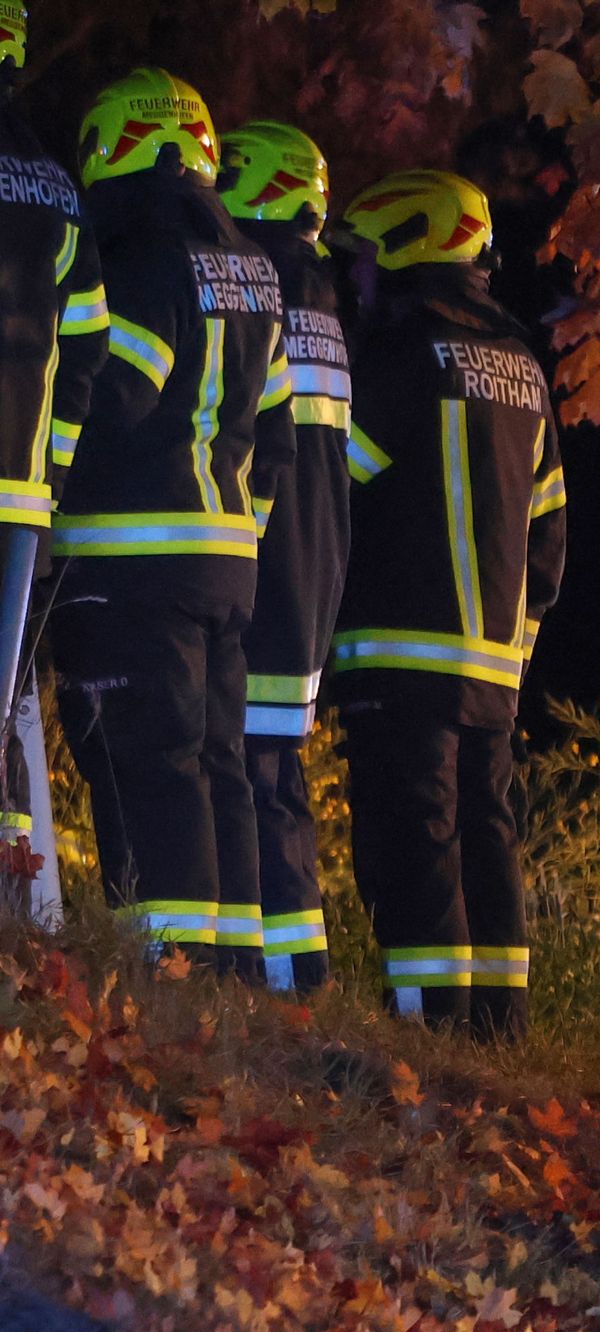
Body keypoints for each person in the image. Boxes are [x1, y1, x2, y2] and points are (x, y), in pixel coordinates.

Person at [48, 67, 282, 961]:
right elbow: (279, 437)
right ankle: (231, 975)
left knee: (147, 766)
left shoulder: (142, 253)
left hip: (133, 557)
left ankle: (167, 973)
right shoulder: (253, 266)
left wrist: (49, 467)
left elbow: (118, 396)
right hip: (228, 559)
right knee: (219, 767)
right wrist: (242, 530)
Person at [326, 168, 559, 1035]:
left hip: (399, 653)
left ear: (405, 248)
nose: (355, 278)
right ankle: (500, 1027)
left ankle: (429, 1027)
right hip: (494, 666)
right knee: (487, 835)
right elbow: (549, 525)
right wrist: (516, 642)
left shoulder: (397, 355)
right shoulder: (524, 366)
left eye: (362, 258)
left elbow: (334, 483)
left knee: (412, 840)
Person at [216, 120, 347, 989]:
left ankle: (274, 973)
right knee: (276, 772)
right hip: (315, 562)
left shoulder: (264, 278)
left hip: (266, 555)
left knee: (250, 773)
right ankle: (301, 967)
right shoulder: (323, 294)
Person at [0, 3, 103, 921]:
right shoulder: (57, 187)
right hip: (22, 498)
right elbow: (88, 346)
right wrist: (53, 471)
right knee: (2, 708)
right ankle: (13, 900)